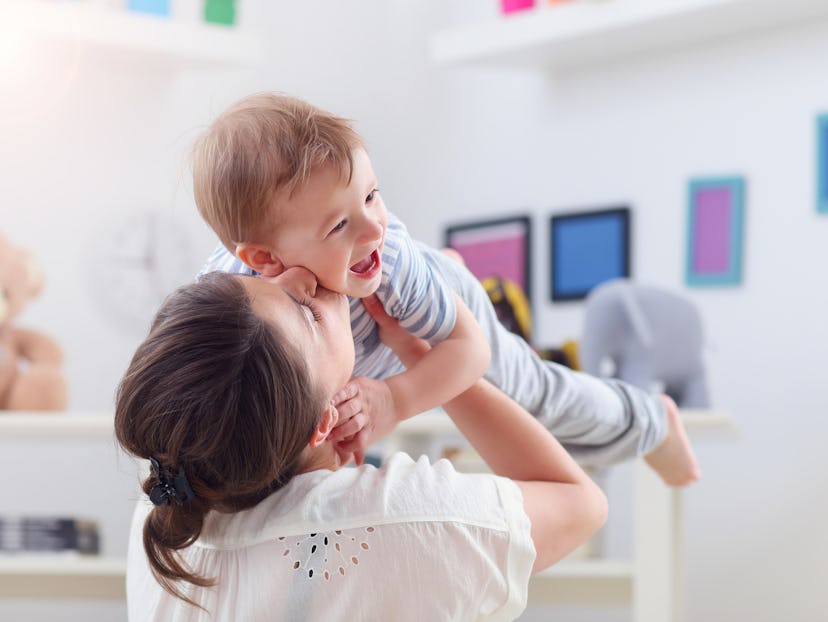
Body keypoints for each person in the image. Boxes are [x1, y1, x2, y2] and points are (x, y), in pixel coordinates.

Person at [194, 92, 699, 486]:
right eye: (338, 226)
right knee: (422, 287)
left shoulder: (383, 256)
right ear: (263, 260)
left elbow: (470, 350)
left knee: (530, 394)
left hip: (439, 323)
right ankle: (440, 277)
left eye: (371, 195)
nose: (372, 227)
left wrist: (395, 399)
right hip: (404, 307)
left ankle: (651, 421)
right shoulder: (225, 304)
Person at [114, 268, 607, 621]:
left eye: (261, 275)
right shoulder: (412, 522)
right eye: (309, 314)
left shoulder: (165, 506)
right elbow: (579, 502)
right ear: (322, 421)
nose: (299, 277)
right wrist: (426, 358)